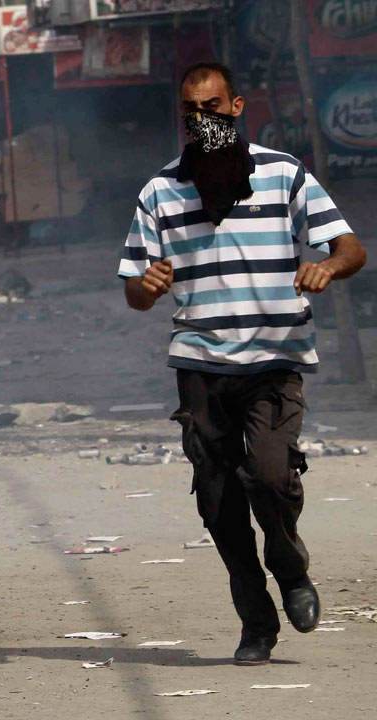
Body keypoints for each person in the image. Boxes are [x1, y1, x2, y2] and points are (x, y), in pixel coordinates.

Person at [118, 62, 367, 666]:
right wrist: (146, 287)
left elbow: (350, 248)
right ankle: (256, 623)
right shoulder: (160, 191)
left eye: (211, 108)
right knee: (218, 500)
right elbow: (134, 287)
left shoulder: (284, 174)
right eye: (190, 112)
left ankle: (290, 567)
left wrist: (326, 268)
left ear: (235, 107)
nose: (200, 120)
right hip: (201, 365)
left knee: (272, 475)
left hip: (275, 357)